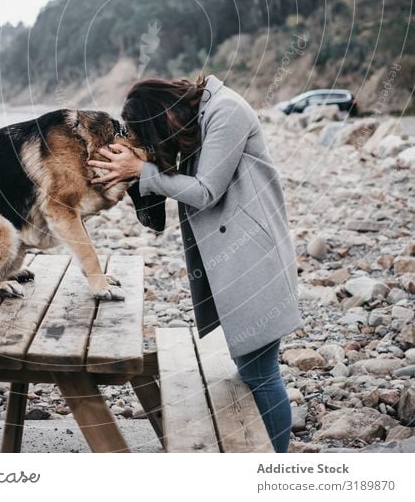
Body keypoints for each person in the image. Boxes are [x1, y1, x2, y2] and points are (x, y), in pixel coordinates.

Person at [88, 73, 303, 453]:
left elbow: (205, 190)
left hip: (253, 259)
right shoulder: (199, 115)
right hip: (236, 256)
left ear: (167, 111)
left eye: (156, 130)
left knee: (261, 373)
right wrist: (136, 158)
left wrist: (142, 172)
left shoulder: (226, 112)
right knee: (253, 369)